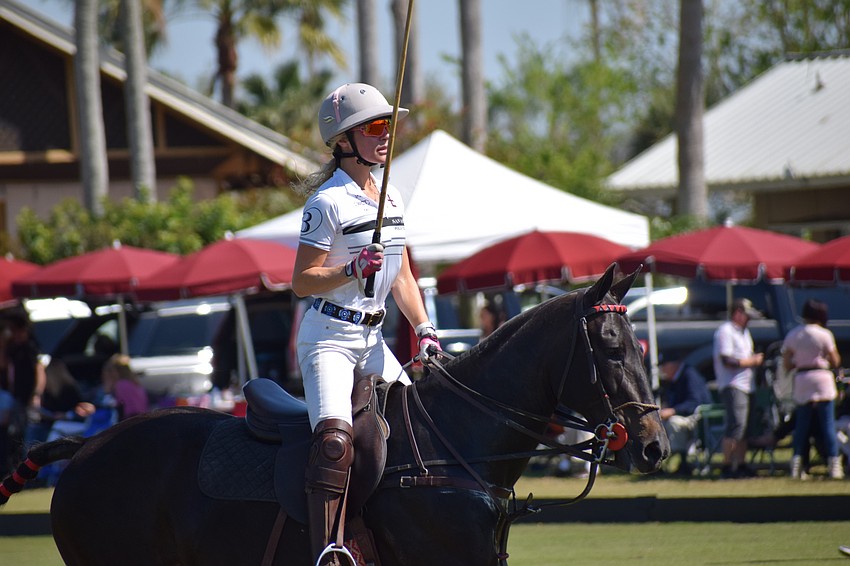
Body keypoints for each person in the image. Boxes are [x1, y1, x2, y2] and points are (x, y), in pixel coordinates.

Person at [291, 82, 440, 565]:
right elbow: (301, 281)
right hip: (329, 340)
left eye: (388, 126)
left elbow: (405, 279)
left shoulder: (391, 195)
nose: (386, 135)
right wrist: (350, 270)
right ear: (342, 141)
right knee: (335, 443)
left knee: (418, 427)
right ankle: (328, 549)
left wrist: (424, 330)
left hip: (373, 340)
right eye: (375, 126)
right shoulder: (326, 202)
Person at [782, 299, 843, 480]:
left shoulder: (794, 334)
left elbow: (786, 363)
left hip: (802, 378)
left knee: (802, 426)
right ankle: (834, 465)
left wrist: (800, 361)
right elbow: (835, 360)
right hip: (822, 378)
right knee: (828, 426)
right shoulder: (824, 334)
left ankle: (796, 465)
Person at [713, 298, 764, 479]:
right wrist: (753, 361)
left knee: (745, 428)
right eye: (746, 316)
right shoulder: (725, 331)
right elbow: (728, 360)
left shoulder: (744, 332)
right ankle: (727, 466)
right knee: (735, 426)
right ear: (737, 313)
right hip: (733, 385)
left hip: (747, 385)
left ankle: (741, 464)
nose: (749, 320)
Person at [658, 357, 713, 475]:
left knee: (674, 423)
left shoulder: (689, 375)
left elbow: (694, 402)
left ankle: (684, 463)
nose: (662, 369)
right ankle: (657, 464)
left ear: (674, 365)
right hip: (683, 416)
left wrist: (672, 411)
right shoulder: (673, 379)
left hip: (698, 417)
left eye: (664, 365)